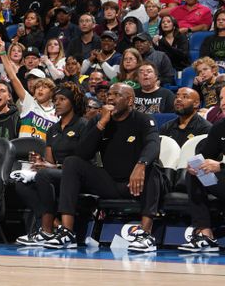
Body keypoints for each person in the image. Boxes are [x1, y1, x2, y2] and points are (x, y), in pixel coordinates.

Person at [44, 83, 161, 252]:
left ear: (129, 101)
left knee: (152, 169)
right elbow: (82, 154)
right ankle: (67, 232)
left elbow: (153, 145)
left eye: (116, 94)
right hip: (110, 182)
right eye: (109, 94)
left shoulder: (143, 120)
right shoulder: (99, 121)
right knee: (72, 163)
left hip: (137, 183)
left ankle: (145, 234)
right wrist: (101, 124)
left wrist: (141, 165)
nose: (110, 98)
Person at [16, 83, 88, 246]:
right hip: (55, 173)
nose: (57, 103)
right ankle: (57, 225)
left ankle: (46, 230)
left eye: (62, 99)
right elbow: (50, 162)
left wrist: (50, 168)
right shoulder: (53, 129)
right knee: (22, 183)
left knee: (44, 175)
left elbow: (82, 161)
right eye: (55, 100)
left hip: (78, 175)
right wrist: (41, 162)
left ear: (73, 102)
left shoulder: (83, 125)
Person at [179, 118, 225, 252]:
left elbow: (219, 166)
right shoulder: (220, 127)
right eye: (221, 99)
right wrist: (194, 165)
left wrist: (221, 166)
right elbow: (205, 156)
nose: (223, 102)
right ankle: (206, 235)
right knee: (195, 174)